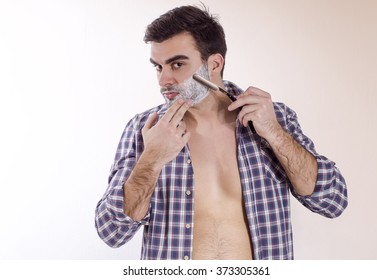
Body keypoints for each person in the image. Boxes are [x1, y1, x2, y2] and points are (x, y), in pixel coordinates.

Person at [95, 5, 348, 260]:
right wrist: (152, 159)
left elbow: (333, 201)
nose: (164, 80)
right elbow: (112, 232)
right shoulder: (145, 129)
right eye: (158, 67)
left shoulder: (274, 118)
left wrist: (273, 132)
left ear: (214, 64)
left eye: (177, 64)